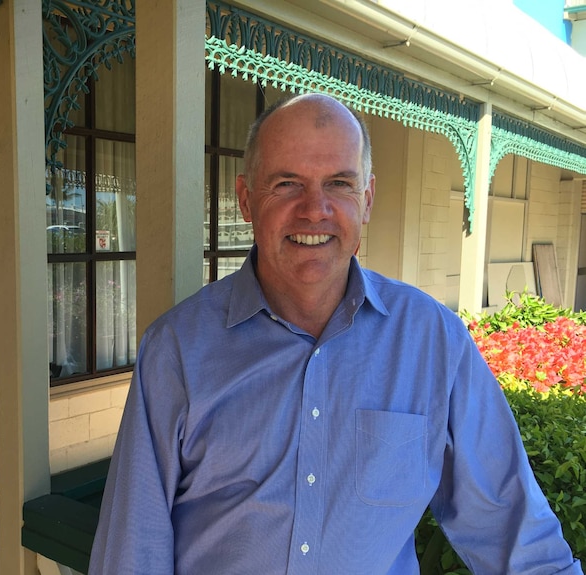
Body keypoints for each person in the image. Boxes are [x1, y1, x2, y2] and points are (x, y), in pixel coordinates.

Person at [88, 93, 582, 574]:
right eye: (286, 184)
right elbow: (135, 548)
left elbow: (513, 527)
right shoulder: (177, 350)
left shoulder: (432, 342)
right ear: (245, 199)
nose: (314, 209)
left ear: (366, 200)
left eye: (340, 184)